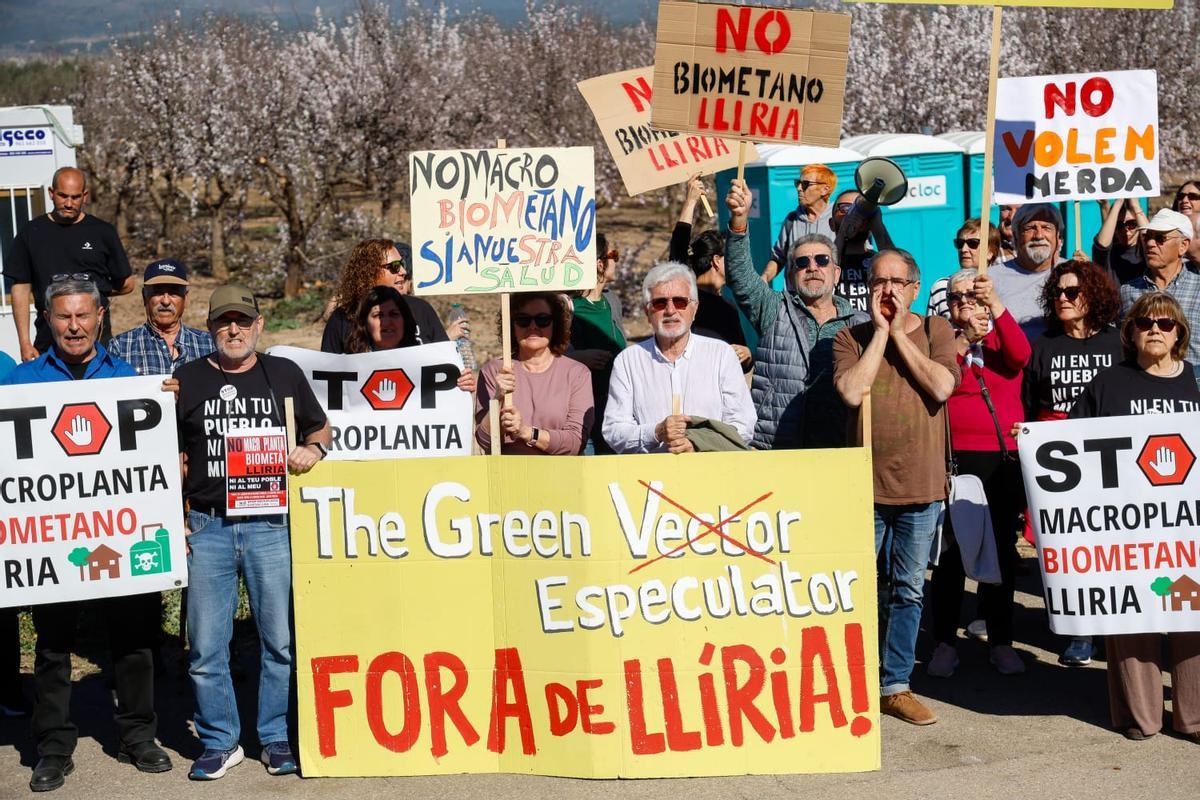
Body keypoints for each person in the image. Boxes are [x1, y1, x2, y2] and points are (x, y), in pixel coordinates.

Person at [1, 279, 173, 792]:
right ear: (47, 321)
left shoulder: (131, 379)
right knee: (53, 647)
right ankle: (52, 747)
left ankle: (139, 735)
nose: (73, 327)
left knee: (134, 640)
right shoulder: (19, 385)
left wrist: (164, 402)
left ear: (100, 316)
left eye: (82, 316)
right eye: (62, 317)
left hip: (120, 537)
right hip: (51, 539)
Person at [175, 284, 330, 780]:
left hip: (269, 525)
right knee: (205, 646)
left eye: (242, 320)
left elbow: (319, 429)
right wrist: (173, 515)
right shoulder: (186, 379)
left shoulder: (283, 373)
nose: (234, 329)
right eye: (223, 322)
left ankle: (276, 736)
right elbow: (167, 456)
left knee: (279, 641)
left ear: (259, 325)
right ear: (210, 329)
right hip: (208, 525)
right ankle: (221, 741)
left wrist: (314, 451)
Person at [833, 249, 960, 726]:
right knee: (862, 587)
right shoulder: (850, 335)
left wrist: (900, 336)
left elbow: (941, 386)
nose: (886, 290)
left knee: (907, 589)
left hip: (920, 485)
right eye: (877, 281)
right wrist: (881, 334)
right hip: (863, 487)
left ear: (914, 288)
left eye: (896, 282)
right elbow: (851, 391)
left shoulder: (936, 331)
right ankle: (857, 676)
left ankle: (896, 684)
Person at [1067, 292, 1200, 743]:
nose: (1156, 330)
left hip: (1187, 531)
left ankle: (1193, 717)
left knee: (1191, 617)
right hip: (1126, 533)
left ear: (1179, 331)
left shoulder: (1196, 383)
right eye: (1146, 323)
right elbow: (1070, 445)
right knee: (1132, 619)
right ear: (1131, 331)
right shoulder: (1109, 383)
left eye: (1165, 323)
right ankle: (1140, 717)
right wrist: (1031, 439)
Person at [926, 268, 1030, 678]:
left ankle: (1001, 641)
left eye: (973, 295)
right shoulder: (940, 339)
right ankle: (944, 642)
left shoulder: (1003, 329)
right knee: (950, 557)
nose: (964, 302)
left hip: (1001, 459)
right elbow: (939, 381)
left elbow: (1021, 356)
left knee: (1001, 552)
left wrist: (996, 305)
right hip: (956, 459)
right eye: (956, 298)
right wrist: (964, 336)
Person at [1020, 260, 1123, 667]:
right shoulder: (1044, 345)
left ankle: (1113, 627)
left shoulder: (1118, 343)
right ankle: (1079, 630)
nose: (1062, 298)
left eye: (1072, 292)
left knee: (1109, 546)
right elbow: (1030, 403)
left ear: (1093, 295)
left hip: (1109, 459)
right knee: (1067, 547)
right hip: (1058, 464)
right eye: (1058, 292)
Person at [724, 178, 865, 450]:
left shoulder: (859, 324)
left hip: (842, 447)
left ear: (836, 273)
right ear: (790, 275)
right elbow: (740, 278)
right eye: (802, 262)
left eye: (822, 260)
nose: (812, 267)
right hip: (780, 446)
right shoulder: (773, 309)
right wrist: (739, 220)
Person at [604, 262, 755, 453]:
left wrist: (699, 443)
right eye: (660, 303)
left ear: (695, 308)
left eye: (680, 301)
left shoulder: (721, 355)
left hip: (712, 472)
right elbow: (614, 431)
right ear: (647, 312)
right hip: (650, 478)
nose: (670, 310)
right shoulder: (628, 362)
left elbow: (743, 424)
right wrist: (655, 432)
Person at [3, 166, 134, 360]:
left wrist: (92, 291)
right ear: (51, 193)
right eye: (63, 196)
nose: (69, 203)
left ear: (85, 196)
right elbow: (20, 289)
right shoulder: (31, 233)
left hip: (97, 339)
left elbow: (127, 284)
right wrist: (24, 342)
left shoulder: (103, 232)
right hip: (48, 338)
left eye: (75, 197)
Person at [475, 292, 593, 455]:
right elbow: (485, 441)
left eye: (542, 319)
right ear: (512, 327)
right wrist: (498, 398)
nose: (532, 326)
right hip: (508, 475)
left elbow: (575, 442)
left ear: (555, 325)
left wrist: (526, 432)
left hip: (561, 474)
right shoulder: (494, 371)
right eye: (523, 320)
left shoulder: (577, 374)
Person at [668, 177, 752, 369]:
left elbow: (742, 362)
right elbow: (678, 250)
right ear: (716, 260)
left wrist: (747, 355)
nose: (736, 262)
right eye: (730, 256)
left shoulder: (728, 307)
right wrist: (690, 201)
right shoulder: (685, 299)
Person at [321, 239, 450, 353]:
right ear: (369, 273)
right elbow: (326, 373)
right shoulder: (341, 319)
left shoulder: (421, 309)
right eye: (394, 267)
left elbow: (447, 362)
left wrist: (462, 378)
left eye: (402, 264)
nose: (403, 272)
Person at [1119, 209, 1200, 385]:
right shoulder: (1127, 291)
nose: (1150, 244)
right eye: (1147, 237)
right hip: (1141, 388)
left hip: (1194, 389)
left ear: (1183, 245)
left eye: (1160, 238)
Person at [344, 285, 475, 391]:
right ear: (365, 323)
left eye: (394, 314)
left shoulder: (432, 363)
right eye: (378, 315)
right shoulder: (345, 367)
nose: (386, 322)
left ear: (404, 321)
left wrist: (462, 385)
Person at [570, 233, 627, 453]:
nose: (618, 260)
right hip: (584, 408)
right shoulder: (568, 306)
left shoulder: (612, 302)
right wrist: (578, 358)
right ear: (599, 263)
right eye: (614, 255)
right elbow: (543, 357)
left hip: (615, 406)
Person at [109, 259, 215, 375]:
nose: (165, 301)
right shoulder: (121, 346)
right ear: (144, 297)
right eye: (157, 292)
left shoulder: (209, 344)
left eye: (173, 292)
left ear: (186, 298)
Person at [989, 203, 1068, 342]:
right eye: (1030, 228)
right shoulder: (991, 279)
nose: (1038, 235)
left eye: (1046, 227)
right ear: (1016, 237)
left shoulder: (1077, 275)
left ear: (1058, 236)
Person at [761, 164, 837, 284]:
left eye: (805, 184)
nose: (799, 188)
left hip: (829, 299)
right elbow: (778, 258)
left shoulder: (839, 219)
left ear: (825, 190)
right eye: (798, 183)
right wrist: (764, 278)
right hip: (795, 299)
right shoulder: (791, 220)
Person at [830, 188, 895, 312]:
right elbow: (827, 268)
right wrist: (844, 230)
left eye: (857, 208)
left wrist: (877, 225)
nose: (853, 214)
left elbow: (897, 271)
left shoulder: (880, 260)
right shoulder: (819, 261)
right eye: (845, 208)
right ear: (831, 224)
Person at [927, 218, 1002, 319]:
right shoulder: (941, 287)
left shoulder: (1002, 287)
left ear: (990, 252)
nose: (963, 249)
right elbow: (932, 330)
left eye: (973, 243)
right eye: (960, 243)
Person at [1091, 198, 1148, 286]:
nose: (1125, 231)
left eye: (1131, 224)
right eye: (1119, 225)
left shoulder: (1146, 252)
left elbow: (1152, 241)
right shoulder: (1110, 254)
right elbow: (1100, 247)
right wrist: (1118, 203)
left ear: (1138, 224)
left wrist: (1136, 207)